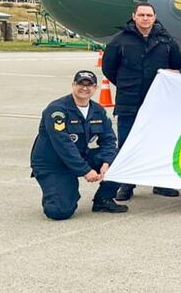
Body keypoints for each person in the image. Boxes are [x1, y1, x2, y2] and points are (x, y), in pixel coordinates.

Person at [101, 1, 181, 199]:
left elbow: (176, 65)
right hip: (129, 100)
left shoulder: (166, 40)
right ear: (134, 16)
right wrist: (126, 83)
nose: (145, 19)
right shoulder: (120, 40)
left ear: (154, 18)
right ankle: (127, 184)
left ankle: (159, 182)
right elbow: (108, 68)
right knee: (127, 143)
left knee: (159, 141)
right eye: (142, 15)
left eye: (149, 15)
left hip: (158, 102)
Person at [29, 71, 126, 219]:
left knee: (122, 156)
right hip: (53, 164)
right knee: (59, 212)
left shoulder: (97, 110)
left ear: (95, 88)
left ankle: (103, 199)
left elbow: (108, 140)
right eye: (81, 83)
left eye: (89, 85)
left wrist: (107, 162)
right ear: (73, 85)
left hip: (79, 156)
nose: (85, 88)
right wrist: (86, 171)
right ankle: (60, 189)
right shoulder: (57, 110)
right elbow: (63, 145)